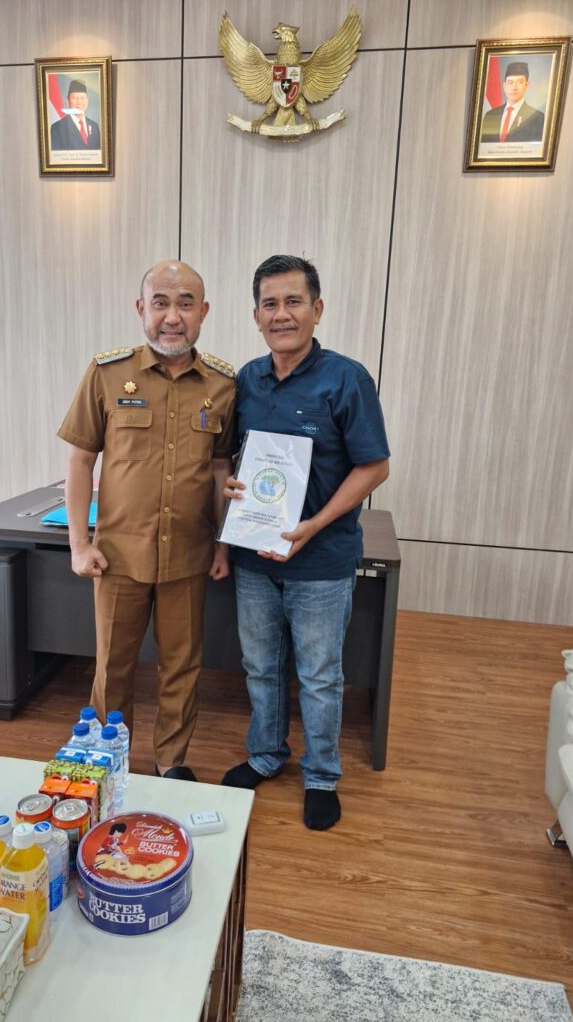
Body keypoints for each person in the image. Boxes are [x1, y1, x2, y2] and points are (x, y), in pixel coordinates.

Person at [221, 255, 390, 831]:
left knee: (319, 676)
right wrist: (230, 483)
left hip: (321, 559)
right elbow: (233, 458)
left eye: (293, 302)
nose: (281, 314)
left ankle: (320, 776)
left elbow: (374, 466)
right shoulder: (246, 379)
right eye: (270, 304)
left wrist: (314, 525)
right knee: (260, 666)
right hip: (254, 556)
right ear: (256, 316)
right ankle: (267, 755)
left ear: (317, 309)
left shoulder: (347, 378)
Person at [57, 261, 236, 782]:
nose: (172, 317)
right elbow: (80, 460)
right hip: (118, 556)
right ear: (141, 309)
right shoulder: (107, 373)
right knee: (112, 666)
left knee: (181, 667)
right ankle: (107, 759)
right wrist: (79, 543)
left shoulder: (224, 384)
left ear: (203, 312)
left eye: (185, 304)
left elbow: (221, 469)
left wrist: (222, 545)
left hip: (189, 554)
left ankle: (171, 761)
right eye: (160, 303)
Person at [480, 61, 545, 144]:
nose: (514, 87)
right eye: (510, 82)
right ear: (504, 86)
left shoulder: (537, 118)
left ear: (527, 86)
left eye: (520, 82)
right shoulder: (490, 116)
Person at [50, 79, 101, 150]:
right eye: (75, 98)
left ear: (87, 100)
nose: (79, 102)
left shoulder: (94, 126)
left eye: (82, 98)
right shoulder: (57, 128)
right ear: (68, 100)